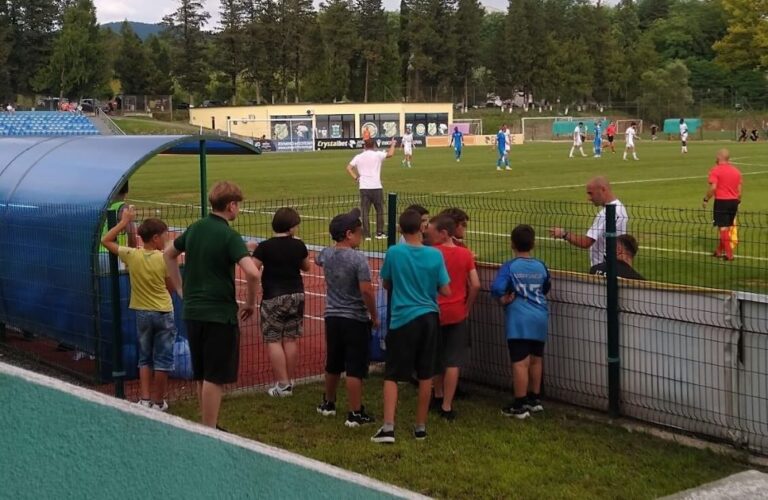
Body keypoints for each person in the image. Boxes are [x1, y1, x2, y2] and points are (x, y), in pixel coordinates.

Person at [164, 181, 261, 428]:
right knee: (215, 376)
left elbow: (168, 254)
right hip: (219, 314)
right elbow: (252, 273)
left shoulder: (196, 228)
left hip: (193, 312)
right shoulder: (229, 235)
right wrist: (250, 302)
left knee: (202, 372)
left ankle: (206, 423)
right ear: (231, 205)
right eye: (238, 205)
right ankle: (209, 429)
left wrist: (180, 288)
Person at [371, 209, 451, 444]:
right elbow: (446, 289)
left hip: (403, 318)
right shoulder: (435, 256)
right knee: (426, 373)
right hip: (428, 318)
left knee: (393, 373)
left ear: (400, 229)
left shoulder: (394, 252)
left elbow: (386, 283)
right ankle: (420, 427)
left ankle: (388, 427)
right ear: (422, 228)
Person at [102, 207, 178, 411]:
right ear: (155, 238)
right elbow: (171, 287)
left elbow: (106, 240)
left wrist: (123, 223)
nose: (166, 239)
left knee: (145, 357)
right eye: (164, 236)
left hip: (142, 312)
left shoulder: (132, 255)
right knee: (163, 359)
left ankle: (144, 399)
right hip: (163, 311)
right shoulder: (164, 259)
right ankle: (158, 402)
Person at [315, 208, 378, 427]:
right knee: (355, 367)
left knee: (333, 362)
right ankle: (355, 412)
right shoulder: (358, 259)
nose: (361, 235)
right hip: (354, 318)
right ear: (349, 234)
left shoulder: (326, 254)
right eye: (359, 231)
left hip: (332, 316)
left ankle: (328, 402)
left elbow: (318, 258)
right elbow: (367, 291)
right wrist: (374, 315)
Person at [491, 224, 551, 419]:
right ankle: (535, 399)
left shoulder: (510, 266)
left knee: (520, 362)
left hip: (519, 319)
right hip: (540, 316)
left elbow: (497, 288)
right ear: (533, 244)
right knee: (536, 359)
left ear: (512, 244)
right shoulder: (541, 265)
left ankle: (519, 403)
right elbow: (546, 286)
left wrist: (504, 299)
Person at [252, 207, 311, 397]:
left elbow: (253, 269)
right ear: (291, 227)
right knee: (290, 338)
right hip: (296, 294)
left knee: (273, 339)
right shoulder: (298, 245)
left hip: (273, 296)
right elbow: (307, 267)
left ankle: (283, 383)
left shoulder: (265, 246)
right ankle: (289, 380)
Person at [427, 216, 481, 421]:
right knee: (453, 361)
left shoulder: (431, 254)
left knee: (435, 357)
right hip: (457, 312)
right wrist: (466, 307)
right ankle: (447, 405)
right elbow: (475, 284)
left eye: (432, 232)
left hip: (434, 311)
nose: (428, 235)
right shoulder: (465, 254)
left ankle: (437, 394)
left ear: (443, 233)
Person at [549, 176, 628, 268]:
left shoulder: (605, 214)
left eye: (591, 194)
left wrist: (564, 234)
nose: (589, 198)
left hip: (602, 267)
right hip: (615, 265)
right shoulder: (620, 207)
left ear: (603, 189)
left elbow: (586, 242)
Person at [346, 138, 396, 240]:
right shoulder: (377, 154)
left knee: (365, 212)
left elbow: (349, 168)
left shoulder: (359, 156)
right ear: (374, 145)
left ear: (364, 146)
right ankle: (379, 232)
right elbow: (390, 154)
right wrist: (393, 144)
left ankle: (367, 234)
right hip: (376, 186)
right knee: (380, 211)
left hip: (364, 187)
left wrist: (356, 177)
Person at [702, 149, 742, 261]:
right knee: (727, 227)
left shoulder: (716, 170)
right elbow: (739, 190)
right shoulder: (736, 171)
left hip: (722, 201)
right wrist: (738, 201)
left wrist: (706, 199)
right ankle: (719, 251)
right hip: (734, 201)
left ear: (719, 157)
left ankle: (729, 254)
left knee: (723, 228)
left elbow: (713, 187)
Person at [99, 182, 137, 270]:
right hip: (113, 253)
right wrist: (131, 257)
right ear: (127, 189)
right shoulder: (124, 208)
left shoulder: (104, 206)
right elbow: (132, 234)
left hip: (98, 253)